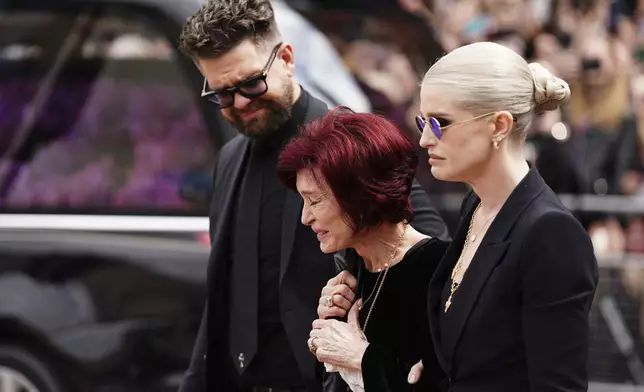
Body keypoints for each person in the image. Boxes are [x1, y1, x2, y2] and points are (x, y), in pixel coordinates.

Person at [176, 1, 450, 391]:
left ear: (286, 58)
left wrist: (365, 338)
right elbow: (223, 294)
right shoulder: (230, 157)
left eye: (251, 83)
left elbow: (425, 253)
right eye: (222, 94)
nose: (239, 102)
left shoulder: (347, 145)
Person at [321, 41, 599, 392]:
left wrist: (364, 358)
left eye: (440, 123)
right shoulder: (477, 207)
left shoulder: (551, 233)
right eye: (424, 121)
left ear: (499, 125)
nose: (423, 139)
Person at [277, 107, 448, 392]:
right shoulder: (352, 266)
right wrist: (329, 329)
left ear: (361, 195)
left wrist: (360, 357)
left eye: (315, 201)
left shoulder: (438, 269)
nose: (305, 217)